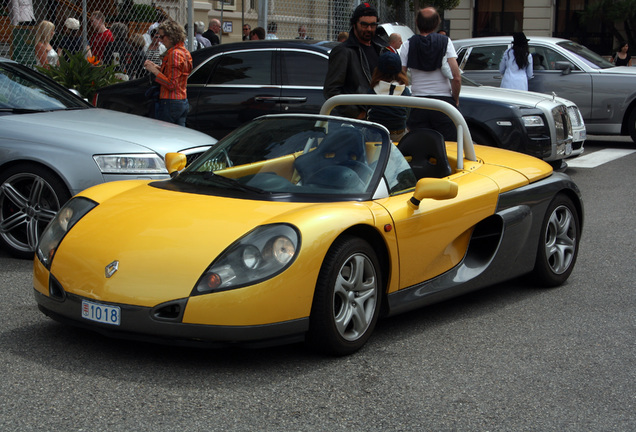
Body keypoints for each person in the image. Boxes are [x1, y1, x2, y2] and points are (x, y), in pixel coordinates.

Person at [400, 6, 461, 141]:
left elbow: (400, 77)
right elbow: (456, 77)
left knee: (420, 146)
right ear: (436, 23)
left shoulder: (407, 45)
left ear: (416, 23)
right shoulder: (446, 42)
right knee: (449, 147)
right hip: (443, 104)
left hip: (418, 103)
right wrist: (454, 99)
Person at [324, 2, 383, 119]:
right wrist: (357, 114)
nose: (369, 29)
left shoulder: (381, 49)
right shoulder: (343, 51)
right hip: (356, 122)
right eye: (364, 25)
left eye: (373, 25)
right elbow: (331, 90)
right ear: (354, 24)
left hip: (379, 117)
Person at [143, 20, 193, 126]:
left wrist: (155, 71)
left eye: (162, 37)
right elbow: (176, 74)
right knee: (179, 137)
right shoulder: (184, 52)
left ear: (171, 36)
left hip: (170, 101)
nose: (160, 40)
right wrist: (158, 68)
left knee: (166, 136)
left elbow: (171, 84)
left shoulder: (174, 54)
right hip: (181, 100)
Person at [367, 52, 411, 142]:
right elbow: (407, 114)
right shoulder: (404, 91)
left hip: (375, 134)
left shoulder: (372, 90)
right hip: (398, 135)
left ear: (378, 70)